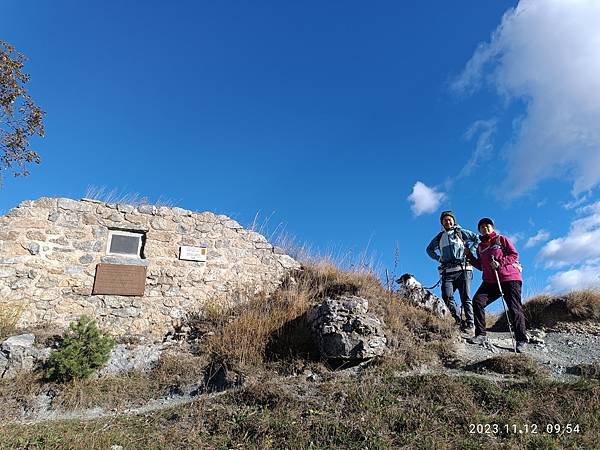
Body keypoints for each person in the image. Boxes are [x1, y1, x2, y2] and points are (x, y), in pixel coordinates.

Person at [466, 217, 528, 353]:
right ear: (480, 231)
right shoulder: (480, 247)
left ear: (492, 227)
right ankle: (481, 334)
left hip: (509, 278)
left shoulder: (501, 239)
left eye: (487, 225)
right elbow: (481, 266)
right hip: (490, 281)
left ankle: (521, 340)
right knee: (477, 301)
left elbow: (514, 254)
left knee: (514, 308)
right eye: (482, 227)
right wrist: (470, 257)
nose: (485, 228)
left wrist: (500, 263)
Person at [426, 211, 479, 331]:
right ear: (442, 223)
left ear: (454, 221)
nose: (447, 221)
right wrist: (438, 258)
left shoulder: (461, 232)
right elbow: (429, 249)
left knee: (465, 297)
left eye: (449, 219)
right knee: (446, 296)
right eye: (445, 220)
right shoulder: (439, 237)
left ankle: (470, 323)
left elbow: (477, 239)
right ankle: (458, 320)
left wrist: (470, 251)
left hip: (464, 269)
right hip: (447, 271)